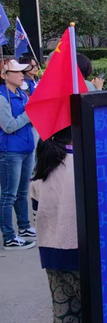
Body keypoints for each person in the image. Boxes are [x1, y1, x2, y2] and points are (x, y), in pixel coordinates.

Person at [30, 127, 85, 323]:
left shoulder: (43, 166)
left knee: (65, 315)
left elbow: (36, 210)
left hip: (51, 253)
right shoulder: (86, 162)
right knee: (94, 316)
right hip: (82, 253)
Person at [0, 59, 37, 250]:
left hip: (25, 149)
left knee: (22, 192)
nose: (22, 74)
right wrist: (29, 114)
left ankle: (23, 228)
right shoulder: (2, 96)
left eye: (22, 71)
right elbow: (8, 126)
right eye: (17, 72)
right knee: (8, 195)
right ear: (4, 75)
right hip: (10, 152)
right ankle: (9, 237)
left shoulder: (21, 93)